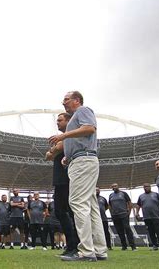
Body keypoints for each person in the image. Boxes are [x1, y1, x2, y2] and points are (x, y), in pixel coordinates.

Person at [49, 91, 107, 262]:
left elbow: (90, 128)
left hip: (83, 161)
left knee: (77, 203)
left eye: (66, 99)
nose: (63, 102)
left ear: (77, 100)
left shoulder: (82, 111)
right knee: (91, 206)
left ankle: (86, 251)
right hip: (82, 159)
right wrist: (69, 155)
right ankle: (99, 249)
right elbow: (84, 136)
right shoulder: (76, 117)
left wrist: (64, 135)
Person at [46, 112, 80, 256]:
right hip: (60, 180)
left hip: (69, 179)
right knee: (60, 212)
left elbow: (55, 150)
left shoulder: (71, 135)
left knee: (73, 212)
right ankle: (71, 245)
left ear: (68, 121)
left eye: (60, 120)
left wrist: (53, 149)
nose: (57, 122)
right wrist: (53, 151)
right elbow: (48, 156)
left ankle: (77, 245)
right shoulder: (64, 138)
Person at [135, 183, 159, 251]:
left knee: (158, 231)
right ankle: (154, 245)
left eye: (147, 186)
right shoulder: (141, 196)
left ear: (150, 187)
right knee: (151, 232)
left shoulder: (156, 194)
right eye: (144, 187)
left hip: (156, 216)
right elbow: (138, 205)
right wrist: (137, 213)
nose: (146, 188)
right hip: (146, 217)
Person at [109, 183, 136, 251]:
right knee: (119, 231)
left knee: (127, 229)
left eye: (115, 186)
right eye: (113, 187)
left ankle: (133, 246)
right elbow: (110, 205)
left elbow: (130, 203)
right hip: (115, 215)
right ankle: (124, 246)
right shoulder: (111, 195)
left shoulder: (124, 193)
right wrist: (111, 213)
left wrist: (129, 212)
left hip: (124, 214)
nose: (114, 187)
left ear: (118, 186)